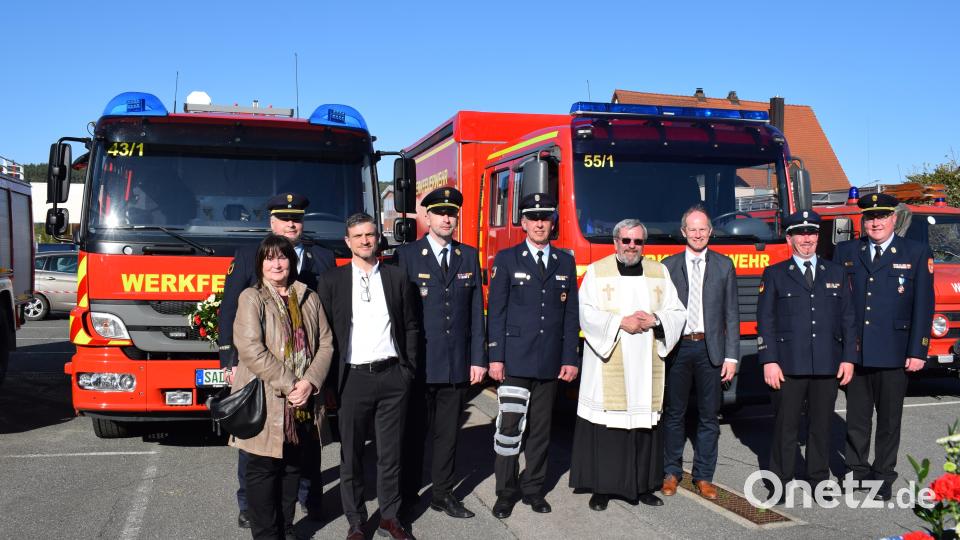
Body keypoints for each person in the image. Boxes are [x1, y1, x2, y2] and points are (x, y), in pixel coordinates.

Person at [219, 192, 335, 528]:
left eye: (295, 218)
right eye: (283, 218)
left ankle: (306, 502)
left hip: (305, 383)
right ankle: (252, 510)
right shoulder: (249, 262)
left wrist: (313, 381)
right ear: (272, 222)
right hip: (265, 382)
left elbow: (326, 331)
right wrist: (229, 358)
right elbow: (232, 312)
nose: (290, 223)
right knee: (258, 452)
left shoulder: (322, 259)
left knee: (301, 453)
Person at [316, 213, 419, 540]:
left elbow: (411, 326)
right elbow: (326, 336)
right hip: (353, 380)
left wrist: (408, 370)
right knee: (352, 457)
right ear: (348, 241)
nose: (365, 240)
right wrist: (330, 383)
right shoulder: (332, 281)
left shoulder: (397, 277)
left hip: (392, 377)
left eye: (370, 235)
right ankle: (357, 522)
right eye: (358, 236)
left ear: (378, 238)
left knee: (391, 454)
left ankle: (390, 517)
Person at [570, 219, 686, 511]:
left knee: (644, 425)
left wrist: (655, 320)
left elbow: (677, 312)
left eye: (637, 242)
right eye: (626, 240)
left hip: (647, 363)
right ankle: (603, 489)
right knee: (610, 426)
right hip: (610, 357)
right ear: (615, 242)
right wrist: (620, 321)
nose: (631, 246)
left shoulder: (659, 273)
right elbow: (585, 313)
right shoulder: (598, 272)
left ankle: (644, 486)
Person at [834, 193, 934, 501]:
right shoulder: (846, 251)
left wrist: (918, 350)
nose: (875, 223)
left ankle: (884, 476)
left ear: (894, 219)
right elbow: (838, 304)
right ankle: (856, 472)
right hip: (858, 352)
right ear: (863, 222)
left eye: (881, 217)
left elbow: (923, 306)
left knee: (890, 421)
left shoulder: (916, 252)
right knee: (856, 419)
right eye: (869, 218)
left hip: (894, 351)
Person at [487, 193, 579, 519]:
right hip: (514, 360)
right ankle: (505, 491)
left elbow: (571, 316)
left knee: (542, 429)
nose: (540, 223)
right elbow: (495, 313)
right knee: (509, 427)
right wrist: (495, 357)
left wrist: (570, 358)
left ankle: (533, 489)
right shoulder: (507, 259)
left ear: (552, 223)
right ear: (523, 223)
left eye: (545, 218)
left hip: (550, 361)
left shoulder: (564, 262)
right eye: (533, 218)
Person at [397, 188, 487, 519]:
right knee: (414, 432)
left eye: (452, 213)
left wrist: (478, 358)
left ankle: (442, 493)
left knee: (449, 435)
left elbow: (477, 311)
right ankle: (406, 492)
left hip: (454, 363)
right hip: (419, 363)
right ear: (427, 217)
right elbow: (399, 313)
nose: (447, 218)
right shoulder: (407, 255)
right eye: (440, 213)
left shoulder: (467, 255)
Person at [757, 210, 857, 499]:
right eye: (800, 234)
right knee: (786, 427)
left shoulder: (836, 273)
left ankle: (817, 479)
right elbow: (766, 320)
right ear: (789, 238)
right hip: (787, 365)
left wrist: (849, 358)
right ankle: (780, 482)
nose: (807, 239)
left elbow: (848, 319)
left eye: (812, 233)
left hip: (827, 364)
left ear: (818, 237)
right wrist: (769, 360)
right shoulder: (775, 274)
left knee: (821, 427)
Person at [660, 206, 739, 500]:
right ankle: (671, 472)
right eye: (692, 229)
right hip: (678, 349)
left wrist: (731, 357)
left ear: (710, 232)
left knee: (709, 417)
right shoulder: (668, 266)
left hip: (711, 350)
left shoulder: (724, 266)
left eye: (702, 229)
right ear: (683, 232)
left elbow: (732, 314)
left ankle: (704, 477)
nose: (697, 234)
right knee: (674, 414)